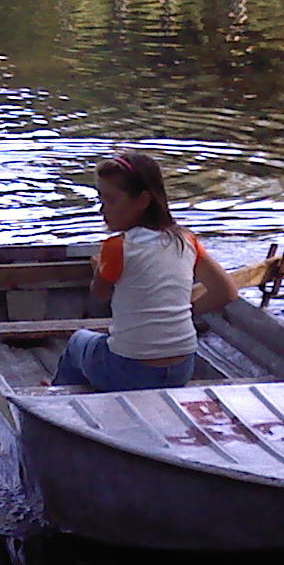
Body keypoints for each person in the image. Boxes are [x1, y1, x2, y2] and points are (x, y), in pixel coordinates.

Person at [52, 151, 240, 391]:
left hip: (127, 371)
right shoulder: (186, 240)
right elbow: (227, 291)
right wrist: (183, 311)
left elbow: (100, 294)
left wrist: (100, 269)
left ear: (143, 200)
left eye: (111, 201)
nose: (103, 210)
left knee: (78, 341)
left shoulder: (117, 246)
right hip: (182, 368)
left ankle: (58, 393)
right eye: (102, 200)